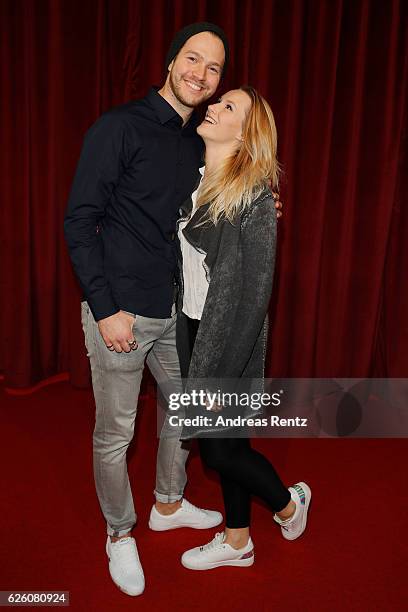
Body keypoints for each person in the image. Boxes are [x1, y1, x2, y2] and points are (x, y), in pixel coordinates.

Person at [64, 22, 282, 597]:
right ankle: (119, 533)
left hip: (178, 317)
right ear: (170, 62)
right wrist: (105, 307)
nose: (201, 74)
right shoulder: (118, 128)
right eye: (193, 59)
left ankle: (167, 504)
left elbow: (224, 202)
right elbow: (79, 222)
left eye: (213, 69)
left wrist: (264, 195)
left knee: (183, 417)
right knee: (116, 432)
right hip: (122, 313)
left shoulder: (198, 139)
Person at [175, 86, 311, 570]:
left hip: (228, 344)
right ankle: (237, 541)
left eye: (227, 107)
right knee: (229, 444)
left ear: (247, 133)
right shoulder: (195, 182)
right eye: (217, 101)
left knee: (215, 453)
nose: (212, 106)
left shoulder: (253, 198)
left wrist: (222, 375)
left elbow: (254, 297)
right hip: (190, 330)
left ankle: (290, 504)